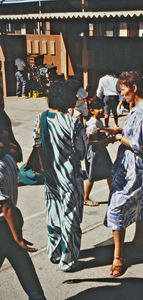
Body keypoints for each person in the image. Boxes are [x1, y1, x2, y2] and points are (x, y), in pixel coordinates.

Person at [102, 71, 143, 277]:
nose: (121, 95)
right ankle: (139, 240)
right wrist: (118, 131)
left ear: (133, 88)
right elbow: (134, 131)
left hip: (135, 166)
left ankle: (118, 257)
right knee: (141, 200)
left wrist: (118, 139)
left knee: (116, 206)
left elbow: (139, 144)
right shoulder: (138, 108)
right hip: (131, 164)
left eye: (123, 90)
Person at [33, 80, 88, 271]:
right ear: (66, 99)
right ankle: (68, 259)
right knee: (71, 218)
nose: (76, 98)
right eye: (73, 95)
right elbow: (81, 152)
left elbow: (36, 142)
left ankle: (54, 252)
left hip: (50, 178)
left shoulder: (41, 118)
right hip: (69, 178)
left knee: (53, 215)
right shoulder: (73, 123)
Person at [0, 97, 46, 299]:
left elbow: (5, 206)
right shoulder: (9, 159)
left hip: (5, 223)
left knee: (19, 256)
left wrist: (17, 237)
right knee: (23, 263)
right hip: (10, 223)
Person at [84, 97, 113, 206]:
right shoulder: (92, 124)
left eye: (101, 108)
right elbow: (88, 141)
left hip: (101, 151)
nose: (100, 110)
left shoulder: (98, 121)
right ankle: (85, 198)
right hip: (95, 152)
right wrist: (104, 141)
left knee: (110, 172)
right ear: (91, 111)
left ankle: (113, 194)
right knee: (92, 176)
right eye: (97, 109)